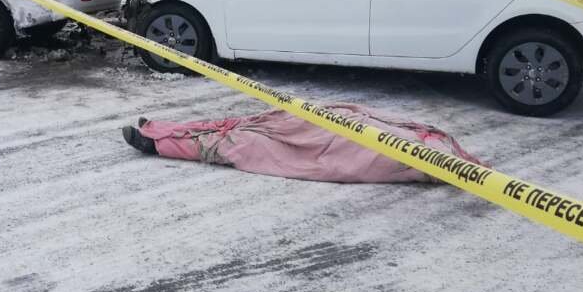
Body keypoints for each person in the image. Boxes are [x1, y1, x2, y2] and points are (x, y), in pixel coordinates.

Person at [120, 103, 481, 184]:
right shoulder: (429, 136)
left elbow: (348, 161)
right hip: (331, 124)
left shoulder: (431, 157)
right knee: (255, 123)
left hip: (331, 145)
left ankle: (159, 143)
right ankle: (161, 128)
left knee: (243, 142)